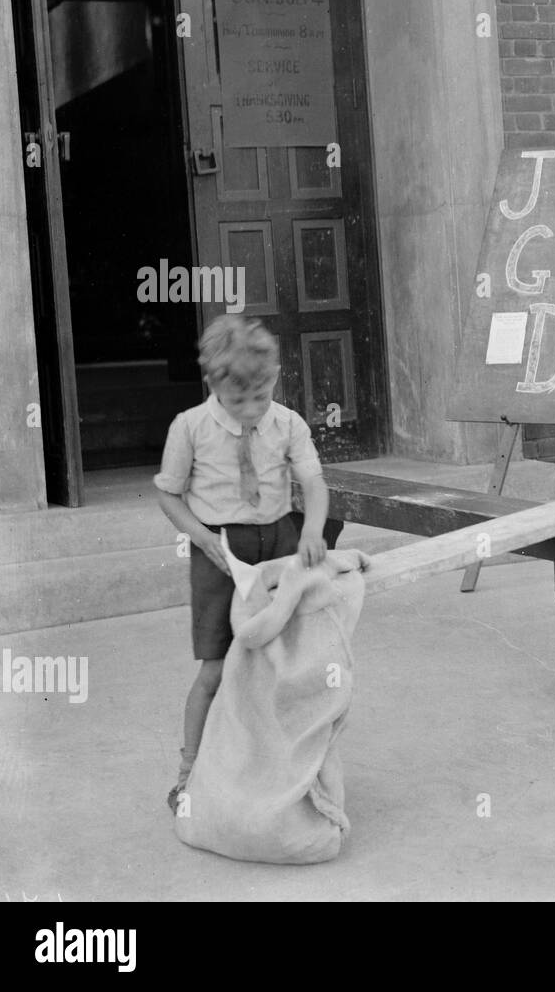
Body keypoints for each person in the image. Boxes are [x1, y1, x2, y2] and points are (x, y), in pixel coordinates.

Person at [154, 314, 330, 811]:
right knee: (216, 667)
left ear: (273, 378)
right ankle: (189, 774)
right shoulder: (189, 427)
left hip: (278, 544)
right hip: (219, 552)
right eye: (238, 400)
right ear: (213, 384)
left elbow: (314, 483)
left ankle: (288, 770)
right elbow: (168, 495)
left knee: (285, 664)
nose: (252, 410)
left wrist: (312, 529)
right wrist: (203, 540)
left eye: (261, 395)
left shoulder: (287, 422)